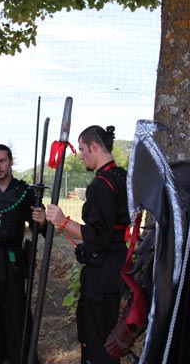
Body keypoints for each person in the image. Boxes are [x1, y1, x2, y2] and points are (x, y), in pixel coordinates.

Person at [46, 125, 130, 364]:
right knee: (105, 335)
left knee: (97, 341)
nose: (81, 155)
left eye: (82, 149)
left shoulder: (102, 184)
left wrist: (63, 221)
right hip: (115, 266)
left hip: (103, 275)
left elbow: (97, 236)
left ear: (94, 147)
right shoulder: (122, 176)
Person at [0, 144, 46, 364]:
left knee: (16, 317)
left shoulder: (24, 192)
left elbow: (39, 228)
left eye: (2, 161)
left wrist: (42, 221)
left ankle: (20, 359)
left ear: (11, 162)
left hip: (14, 266)